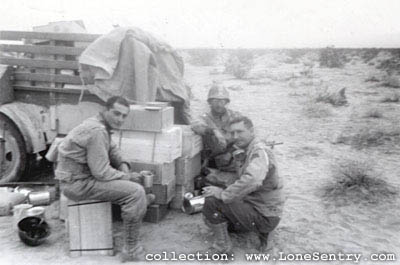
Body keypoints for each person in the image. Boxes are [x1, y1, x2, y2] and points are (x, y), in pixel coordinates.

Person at [55, 96, 152, 262]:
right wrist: (127, 178)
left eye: (123, 116)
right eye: (116, 113)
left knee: (130, 184)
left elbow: (112, 148)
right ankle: (131, 249)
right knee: (135, 193)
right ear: (106, 110)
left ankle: (137, 206)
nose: (120, 119)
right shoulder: (97, 130)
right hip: (77, 184)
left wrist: (123, 164)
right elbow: (101, 172)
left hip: (78, 178)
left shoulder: (100, 124)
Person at [202, 115, 284, 254]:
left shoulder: (259, 151)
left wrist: (223, 194)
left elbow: (253, 179)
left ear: (252, 131)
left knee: (212, 203)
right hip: (263, 208)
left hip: (264, 214)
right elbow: (241, 177)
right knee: (214, 212)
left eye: (240, 132)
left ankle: (222, 248)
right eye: (233, 133)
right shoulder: (249, 150)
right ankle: (263, 232)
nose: (235, 136)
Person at [191, 83, 242, 186]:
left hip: (233, 158)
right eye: (215, 101)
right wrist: (213, 130)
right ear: (210, 102)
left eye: (222, 101)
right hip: (213, 161)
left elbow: (245, 135)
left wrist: (231, 151)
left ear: (226, 102)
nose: (219, 105)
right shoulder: (205, 118)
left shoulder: (235, 116)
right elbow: (195, 125)